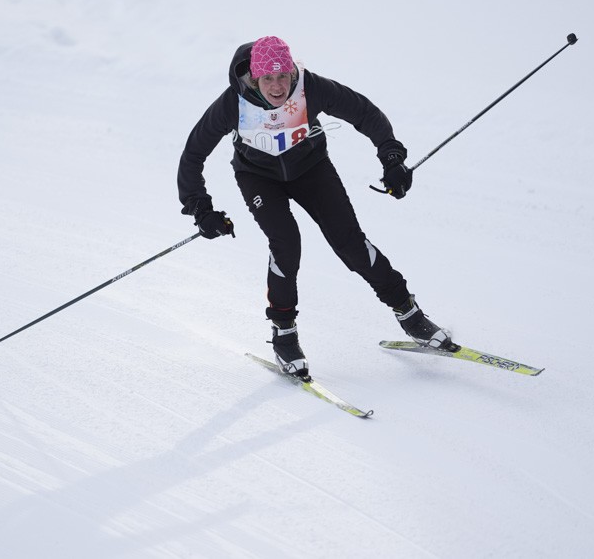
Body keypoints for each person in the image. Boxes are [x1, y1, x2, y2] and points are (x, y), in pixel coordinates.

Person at [177, 36, 458, 379]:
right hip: (258, 178)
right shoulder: (232, 104)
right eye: (268, 78)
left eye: (284, 77)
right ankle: (284, 333)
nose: (278, 86)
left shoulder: (309, 87)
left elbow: (365, 113)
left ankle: (409, 313)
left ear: (293, 73)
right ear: (254, 78)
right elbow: (192, 156)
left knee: (351, 243)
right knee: (286, 242)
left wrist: (392, 157)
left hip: (311, 169)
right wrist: (201, 209)